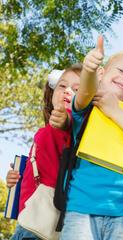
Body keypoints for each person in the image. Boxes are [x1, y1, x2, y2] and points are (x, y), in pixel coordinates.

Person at [60, 36, 123, 240]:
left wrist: (115, 111)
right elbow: (86, 89)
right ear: (102, 74)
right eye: (121, 71)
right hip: (81, 209)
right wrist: (88, 70)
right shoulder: (87, 104)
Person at [6, 64, 82, 240]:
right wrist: (18, 177)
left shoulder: (71, 128)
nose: (67, 91)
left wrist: (68, 121)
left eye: (76, 89)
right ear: (52, 92)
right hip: (29, 219)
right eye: (62, 86)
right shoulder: (46, 131)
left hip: (39, 225)